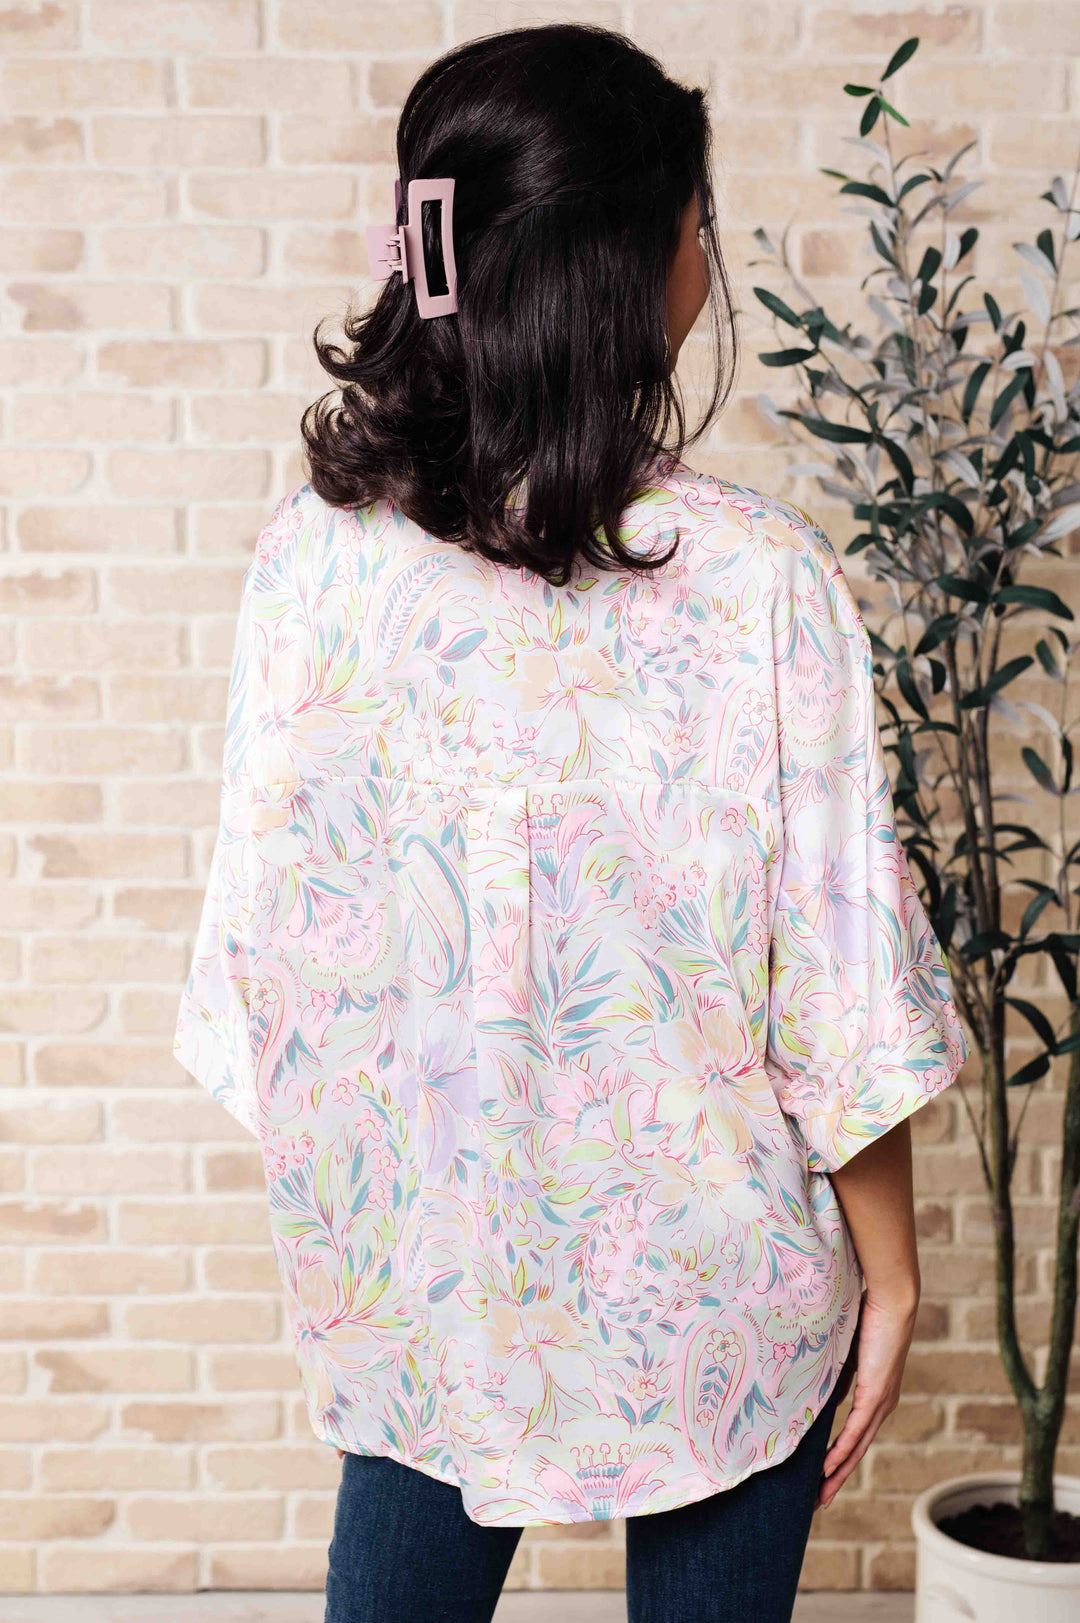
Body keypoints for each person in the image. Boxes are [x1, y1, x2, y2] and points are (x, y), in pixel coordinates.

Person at [174, 23, 969, 1623]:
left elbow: (269, 953)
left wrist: (431, 1190)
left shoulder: (312, 563)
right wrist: (891, 1275)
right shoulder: (758, 584)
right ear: (624, 269)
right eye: (695, 220)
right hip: (715, 1287)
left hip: (435, 1284)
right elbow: (840, 993)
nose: (707, 256)